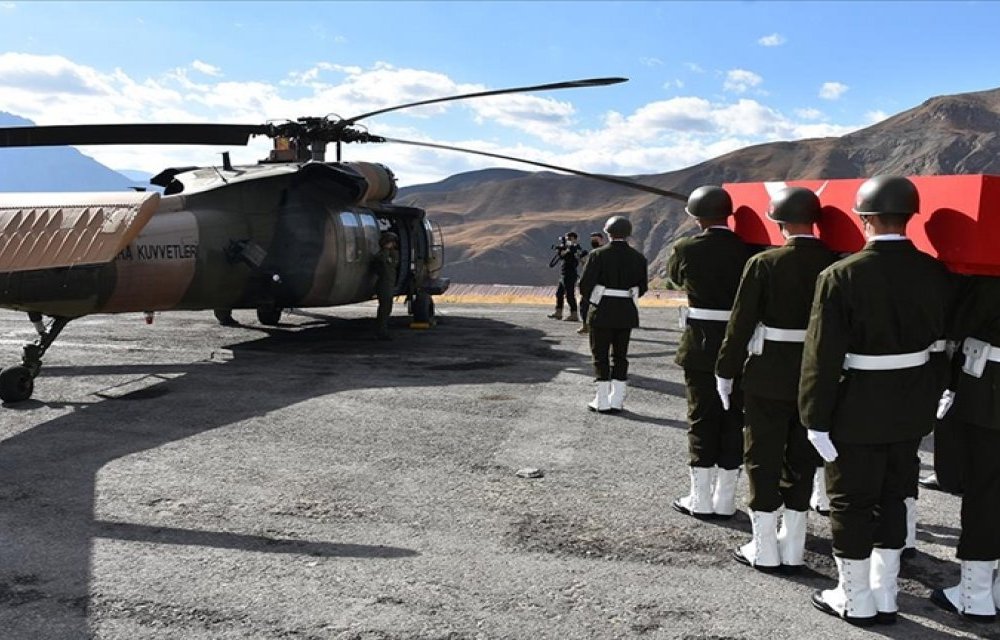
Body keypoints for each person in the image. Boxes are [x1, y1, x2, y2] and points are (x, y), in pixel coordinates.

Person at [801, 175, 954, 626]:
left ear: (863, 218)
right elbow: (942, 343)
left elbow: (821, 356)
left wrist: (814, 417)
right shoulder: (934, 270)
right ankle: (885, 594)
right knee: (894, 495)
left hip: (857, 406)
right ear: (910, 217)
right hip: (911, 406)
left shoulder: (840, 275)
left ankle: (854, 597)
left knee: (850, 499)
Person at [716, 187, 837, 573]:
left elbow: (740, 323)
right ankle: (794, 544)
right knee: (802, 457)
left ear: (779, 221)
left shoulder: (764, 262)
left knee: (763, 455)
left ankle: (764, 546)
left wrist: (726, 368)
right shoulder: (836, 262)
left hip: (768, 373)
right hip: (815, 375)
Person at [667, 185, 752, 520]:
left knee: (702, 418)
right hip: (740, 342)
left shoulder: (686, 247)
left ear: (697, 216)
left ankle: (699, 498)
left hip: (701, 343)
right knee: (734, 419)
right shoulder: (747, 249)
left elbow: (675, 279)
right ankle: (726, 498)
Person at [929, 275, 1000, 623]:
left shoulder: (989, 279)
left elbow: (958, 322)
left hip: (989, 395)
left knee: (983, 494)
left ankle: (974, 594)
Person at [578, 216, 647, 413]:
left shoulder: (597, 255)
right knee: (620, 356)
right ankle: (617, 399)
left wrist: (596, 298)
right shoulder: (638, 257)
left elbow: (585, 286)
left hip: (602, 311)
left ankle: (601, 399)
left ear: (607, 232)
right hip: (626, 312)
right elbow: (641, 288)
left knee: (600, 355)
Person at [548, 231, 585, 322]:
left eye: (569, 239)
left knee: (569, 295)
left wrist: (569, 247)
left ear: (575, 239)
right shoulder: (566, 247)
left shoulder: (576, 248)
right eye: (567, 239)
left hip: (570, 274)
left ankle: (574, 314)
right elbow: (561, 255)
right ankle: (558, 312)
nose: (567, 240)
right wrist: (561, 249)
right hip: (563, 274)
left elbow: (578, 255)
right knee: (559, 294)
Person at [372, 231, 400, 340]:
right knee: (384, 310)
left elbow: (393, 262)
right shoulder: (382, 255)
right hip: (384, 285)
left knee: (387, 309)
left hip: (388, 284)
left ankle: (382, 331)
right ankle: (381, 332)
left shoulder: (392, 254)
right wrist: (385, 250)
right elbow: (381, 261)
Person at [577, 231, 606, 335]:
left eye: (596, 239)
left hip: (600, 286)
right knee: (584, 306)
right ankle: (586, 326)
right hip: (590, 285)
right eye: (592, 239)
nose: (593, 241)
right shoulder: (591, 253)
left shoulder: (604, 253)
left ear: (602, 240)